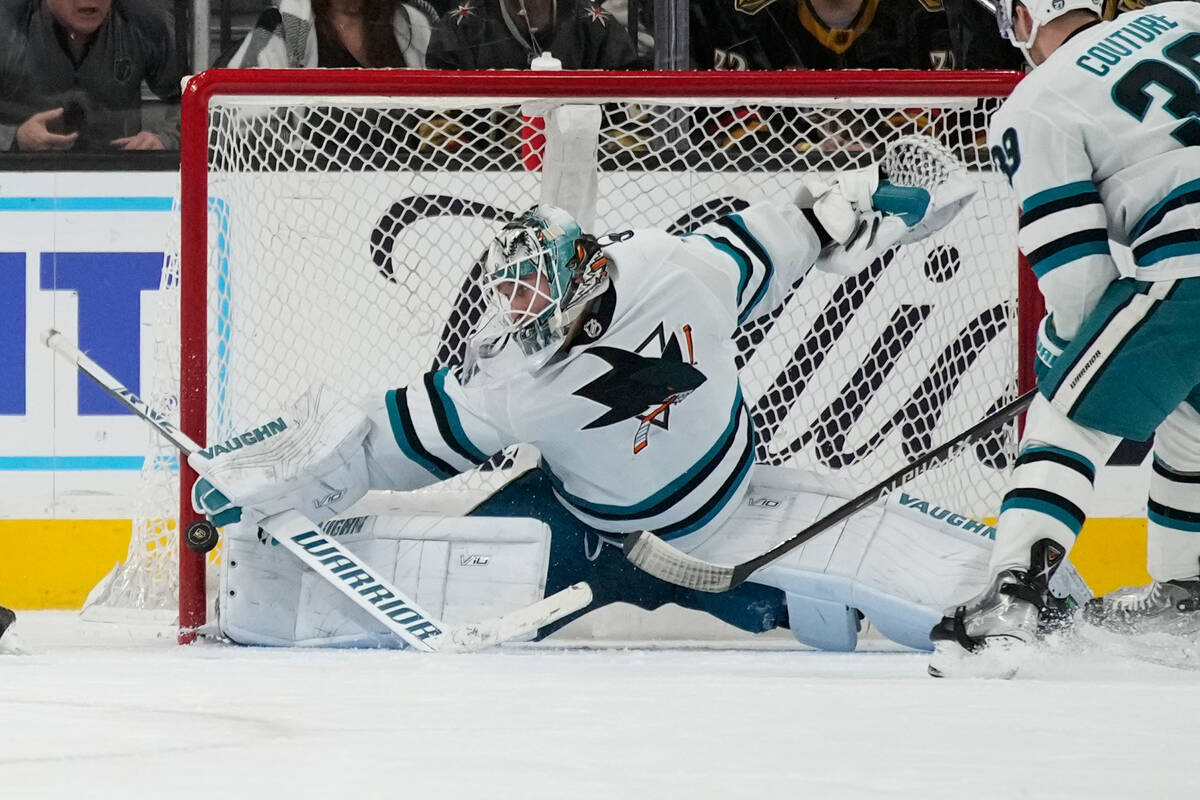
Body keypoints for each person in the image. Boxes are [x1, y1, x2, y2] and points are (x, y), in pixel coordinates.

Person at [187, 146, 1020, 652]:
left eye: (526, 294)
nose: (514, 313)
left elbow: (799, 231)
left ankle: (809, 597)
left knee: (815, 606)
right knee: (435, 592)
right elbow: (401, 436)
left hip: (724, 518)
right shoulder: (525, 366)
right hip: (583, 532)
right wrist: (303, 468)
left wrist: (878, 201)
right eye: (506, 295)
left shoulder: (672, 271)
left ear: (578, 277)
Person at [929, 0, 1200, 677]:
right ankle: (1188, 600)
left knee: (1067, 416)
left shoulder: (1036, 102)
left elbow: (1077, 281)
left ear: (1023, 17)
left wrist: (1067, 354)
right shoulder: (1185, 12)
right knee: (1191, 422)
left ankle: (1011, 602)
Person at [0, 0, 181, 152]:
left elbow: (201, 99)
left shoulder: (143, 21)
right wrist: (14, 137)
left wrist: (165, 139)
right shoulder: (8, 24)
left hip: (120, 172)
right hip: (18, 172)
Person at [220, 0, 436, 69]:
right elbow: (237, 117)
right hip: (306, 173)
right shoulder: (280, 27)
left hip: (403, 174)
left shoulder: (415, 25)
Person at [425, 0, 638, 69]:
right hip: (485, 171)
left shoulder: (597, 29)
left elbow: (626, 135)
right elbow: (441, 135)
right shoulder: (459, 29)